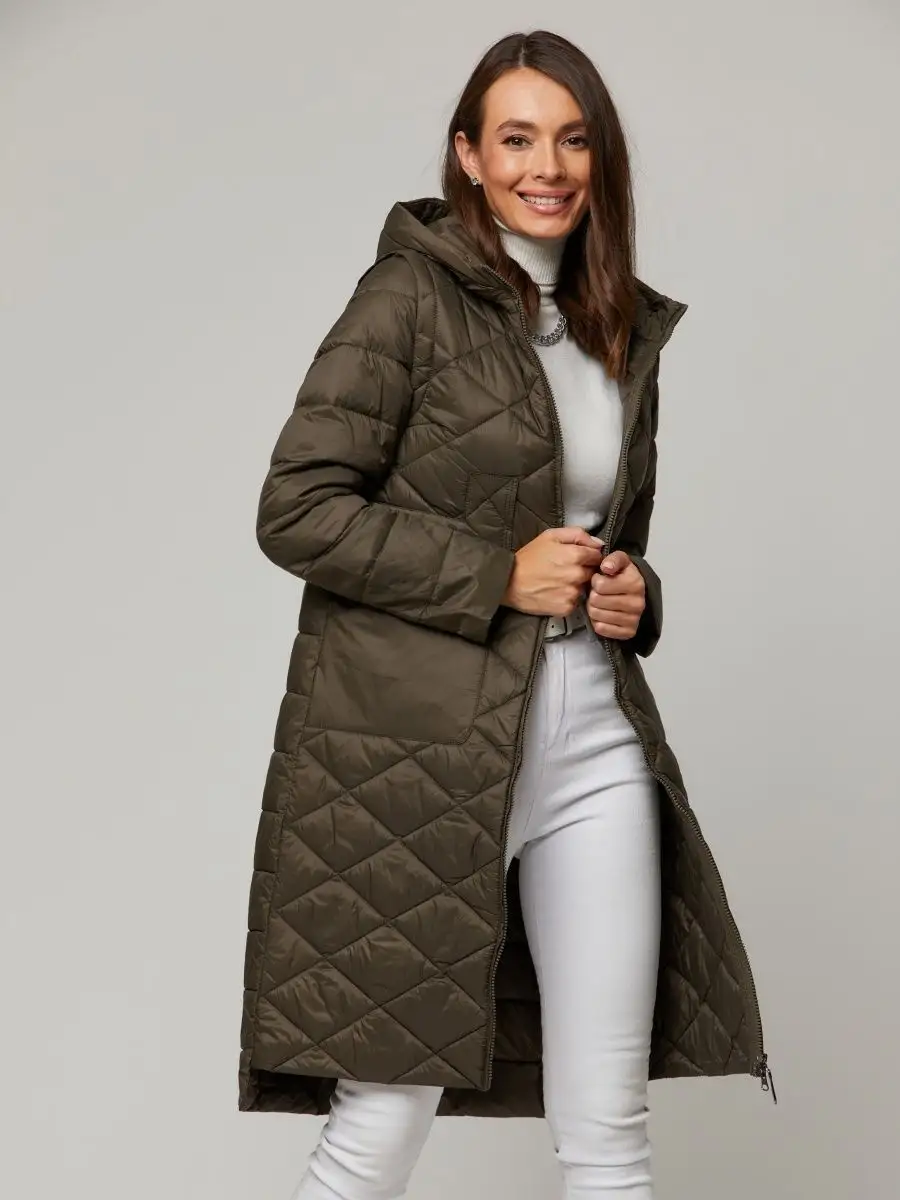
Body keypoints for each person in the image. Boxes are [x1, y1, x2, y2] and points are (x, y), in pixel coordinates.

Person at [238, 27, 774, 1200]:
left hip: (594, 743)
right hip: (424, 758)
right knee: (379, 1129)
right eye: (518, 139)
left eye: (573, 140)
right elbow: (296, 508)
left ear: (601, 158)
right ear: (469, 157)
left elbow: (600, 535)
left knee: (608, 1126)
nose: (548, 166)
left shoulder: (616, 323)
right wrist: (492, 575)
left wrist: (634, 592)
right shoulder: (407, 298)